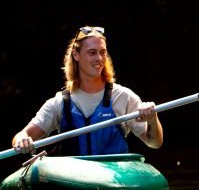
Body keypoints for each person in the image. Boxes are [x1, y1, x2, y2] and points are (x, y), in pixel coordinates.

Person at [12, 25, 163, 156]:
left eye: (102, 52)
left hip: (114, 175)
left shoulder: (123, 97)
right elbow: (21, 135)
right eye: (92, 52)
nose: (99, 58)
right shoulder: (59, 103)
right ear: (76, 55)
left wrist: (152, 119)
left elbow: (155, 143)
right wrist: (22, 139)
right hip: (74, 179)